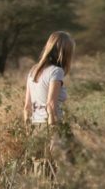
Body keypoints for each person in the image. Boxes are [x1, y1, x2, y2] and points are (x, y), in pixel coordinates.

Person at [23, 31, 75, 174]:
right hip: (52, 124)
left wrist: (28, 131)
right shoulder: (56, 72)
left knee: (39, 170)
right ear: (65, 52)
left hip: (35, 126)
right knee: (65, 168)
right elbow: (51, 105)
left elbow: (27, 106)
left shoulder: (33, 70)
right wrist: (54, 133)